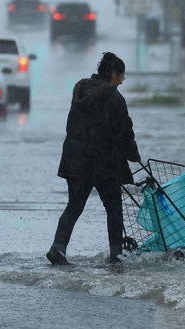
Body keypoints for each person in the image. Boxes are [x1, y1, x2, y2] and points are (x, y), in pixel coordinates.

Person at [47, 52, 141, 266]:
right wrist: (133, 154)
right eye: (121, 77)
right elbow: (124, 131)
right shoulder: (115, 99)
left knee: (74, 205)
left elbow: (71, 126)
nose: (122, 81)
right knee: (114, 208)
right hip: (103, 163)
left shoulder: (80, 92)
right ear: (114, 74)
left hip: (76, 159)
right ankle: (116, 254)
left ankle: (57, 248)